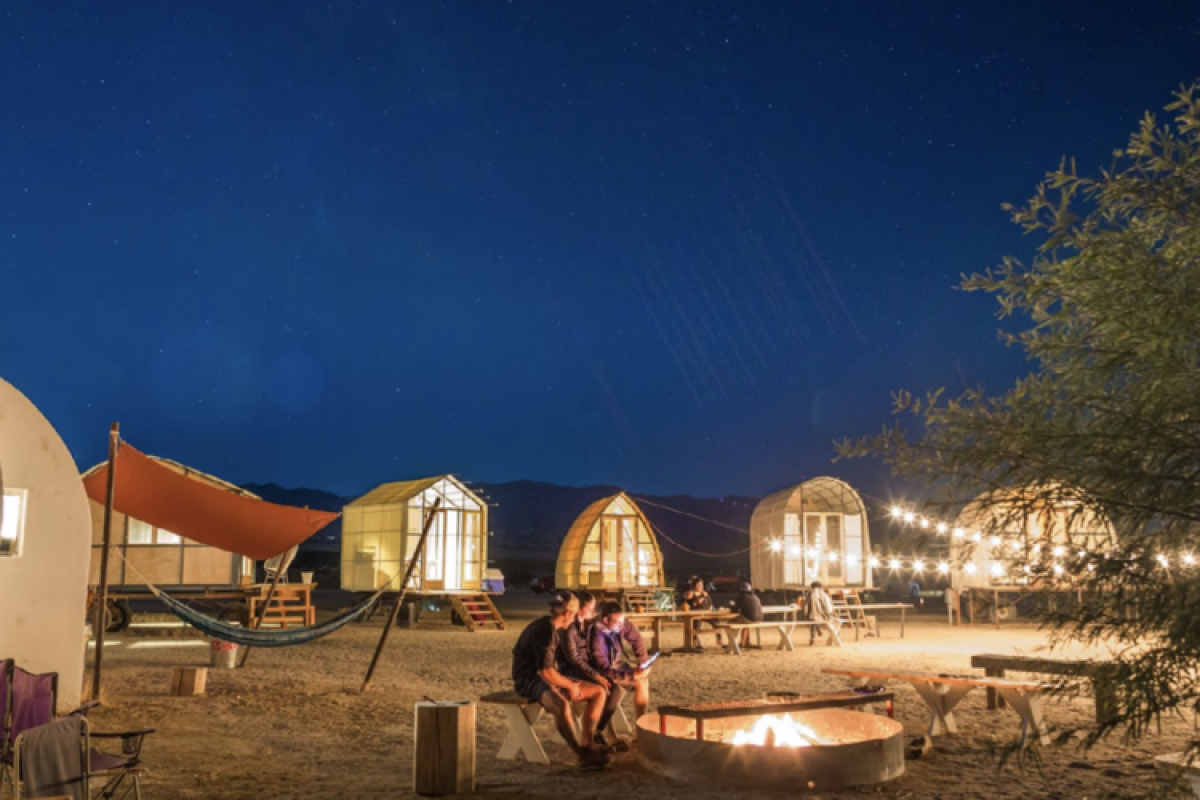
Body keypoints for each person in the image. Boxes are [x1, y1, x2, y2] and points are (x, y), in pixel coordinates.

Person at [511, 590, 609, 768]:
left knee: (598, 692)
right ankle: (581, 754)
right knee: (561, 705)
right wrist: (570, 685)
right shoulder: (545, 630)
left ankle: (587, 742)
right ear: (567, 614)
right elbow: (545, 672)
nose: (574, 618)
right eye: (574, 614)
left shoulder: (552, 628)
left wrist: (567, 684)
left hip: (542, 677)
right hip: (528, 680)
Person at [554, 590, 624, 752]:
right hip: (571, 671)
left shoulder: (588, 625)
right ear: (579, 609)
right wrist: (596, 676)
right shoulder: (568, 628)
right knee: (606, 689)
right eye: (590, 608)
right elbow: (573, 659)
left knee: (614, 688)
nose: (594, 612)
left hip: (585, 668)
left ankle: (600, 731)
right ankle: (593, 735)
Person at [588, 600, 652, 724]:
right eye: (618, 623)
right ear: (605, 620)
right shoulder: (596, 636)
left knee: (643, 680)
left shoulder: (620, 622)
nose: (621, 626)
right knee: (637, 681)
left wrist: (642, 663)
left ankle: (640, 726)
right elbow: (604, 668)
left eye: (622, 622)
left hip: (616, 662)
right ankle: (610, 732)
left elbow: (637, 639)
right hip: (600, 669)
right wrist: (632, 675)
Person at [679, 576, 722, 649]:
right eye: (698, 585)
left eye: (701, 585)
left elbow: (710, 604)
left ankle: (719, 639)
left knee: (716, 620)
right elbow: (685, 603)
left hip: (706, 614)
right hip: (695, 614)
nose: (700, 586)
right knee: (695, 625)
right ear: (694, 585)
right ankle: (694, 642)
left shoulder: (705, 593)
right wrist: (693, 600)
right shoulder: (690, 593)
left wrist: (710, 610)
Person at [801, 580, 840, 644]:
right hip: (823, 616)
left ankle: (812, 637)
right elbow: (828, 606)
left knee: (813, 622)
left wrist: (805, 614)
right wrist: (829, 613)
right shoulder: (823, 594)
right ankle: (832, 634)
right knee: (825, 622)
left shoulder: (809, 594)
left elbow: (806, 606)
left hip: (812, 617)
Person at [729, 581, 763, 649]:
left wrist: (731, 606)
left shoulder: (742, 597)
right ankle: (746, 642)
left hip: (750, 619)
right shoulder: (755, 596)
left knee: (729, 624)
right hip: (759, 619)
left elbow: (735, 610)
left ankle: (734, 642)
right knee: (745, 622)